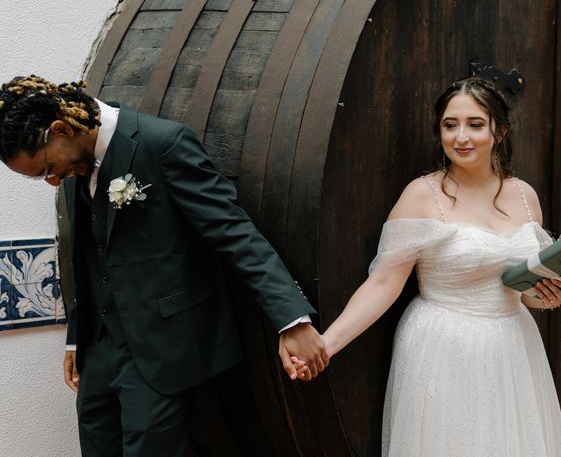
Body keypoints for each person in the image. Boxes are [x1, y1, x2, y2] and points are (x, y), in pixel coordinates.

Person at [0, 75, 327, 456]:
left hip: (160, 353)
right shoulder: (76, 159)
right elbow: (87, 256)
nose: (53, 182)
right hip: (100, 354)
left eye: (46, 169)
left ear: (59, 129)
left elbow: (235, 233)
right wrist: (78, 335)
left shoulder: (163, 144)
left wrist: (293, 320)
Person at [296, 77, 561, 455]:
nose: (461, 137)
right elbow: (383, 284)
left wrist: (550, 296)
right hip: (444, 344)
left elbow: (524, 293)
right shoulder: (422, 196)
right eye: (449, 124)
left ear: (500, 131)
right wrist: (327, 344)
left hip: (512, 346)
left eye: (475, 124)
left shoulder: (525, 196)